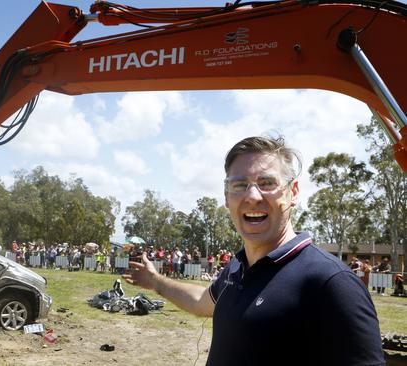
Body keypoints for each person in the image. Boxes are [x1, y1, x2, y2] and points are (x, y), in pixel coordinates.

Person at [123, 135, 383, 365]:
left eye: (267, 183)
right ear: (227, 198)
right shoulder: (237, 267)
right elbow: (202, 302)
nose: (253, 196)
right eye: (240, 185)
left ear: (293, 192)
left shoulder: (330, 283)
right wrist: (155, 281)